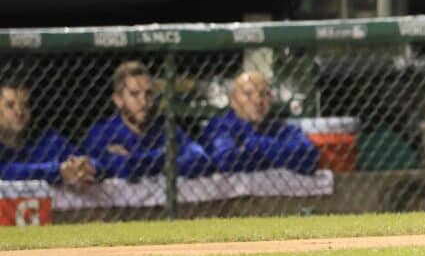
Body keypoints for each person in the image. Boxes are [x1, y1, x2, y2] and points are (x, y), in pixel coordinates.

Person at [83, 61, 212, 180]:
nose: (144, 102)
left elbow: (201, 159)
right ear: (118, 100)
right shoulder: (101, 134)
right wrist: (169, 154)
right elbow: (125, 169)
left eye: (148, 94)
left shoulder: (165, 129)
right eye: (134, 94)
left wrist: (136, 158)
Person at [199, 71, 319, 174]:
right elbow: (226, 160)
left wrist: (253, 144)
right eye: (248, 94)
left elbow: (309, 157)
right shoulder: (219, 126)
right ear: (233, 100)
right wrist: (281, 157)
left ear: (271, 98)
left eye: (264, 94)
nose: (258, 100)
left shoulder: (281, 127)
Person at [0, 79, 96, 187]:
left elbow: (96, 162)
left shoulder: (50, 142)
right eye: (10, 105)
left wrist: (85, 168)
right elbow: (4, 171)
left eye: (25, 105)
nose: (19, 112)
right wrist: (58, 171)